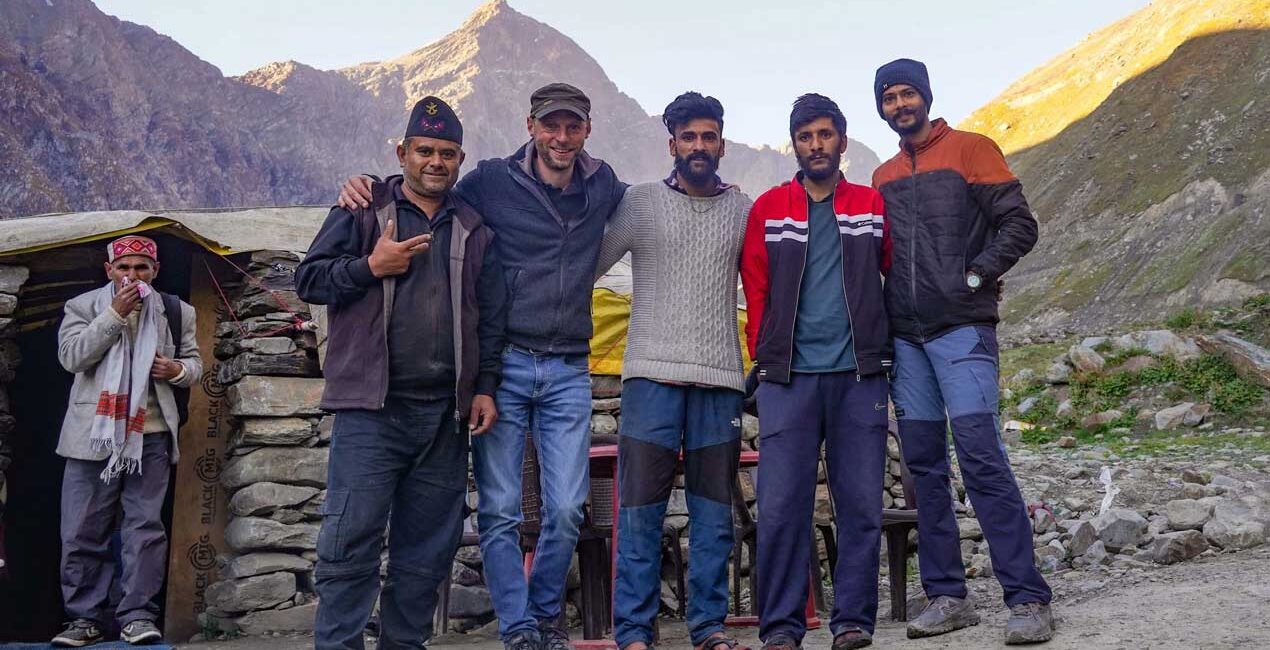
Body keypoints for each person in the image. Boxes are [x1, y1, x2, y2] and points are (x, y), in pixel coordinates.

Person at [338, 83, 627, 650]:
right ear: (531, 125)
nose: (561, 137)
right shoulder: (491, 182)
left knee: (567, 507)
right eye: (551, 126)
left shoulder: (604, 185)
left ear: (587, 130)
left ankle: (545, 617)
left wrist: (714, 192)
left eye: (572, 127)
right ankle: (519, 630)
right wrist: (365, 187)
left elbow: (652, 206)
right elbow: (428, 188)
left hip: (569, 366)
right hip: (506, 365)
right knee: (498, 508)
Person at [296, 96, 507, 650]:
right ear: (402, 152)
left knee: (425, 554)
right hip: (372, 411)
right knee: (349, 541)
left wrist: (484, 387)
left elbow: (489, 318)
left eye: (447, 153)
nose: (435, 162)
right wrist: (371, 265)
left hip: (443, 416)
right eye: (424, 150)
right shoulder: (364, 209)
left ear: (460, 159)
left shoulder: (472, 226)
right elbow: (310, 280)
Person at [870, 58, 1053, 645]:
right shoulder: (881, 176)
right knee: (923, 468)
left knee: (980, 456)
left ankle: (1027, 599)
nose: (900, 105)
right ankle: (948, 596)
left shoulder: (972, 150)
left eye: (907, 94)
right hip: (907, 339)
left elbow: (1019, 225)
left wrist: (976, 276)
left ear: (925, 96)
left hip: (962, 331)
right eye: (889, 97)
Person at [594, 91, 753, 650]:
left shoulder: (742, 209)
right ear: (672, 145)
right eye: (689, 137)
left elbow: (764, 284)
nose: (699, 146)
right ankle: (635, 632)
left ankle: (708, 628)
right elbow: (587, 262)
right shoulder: (639, 204)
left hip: (720, 380)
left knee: (713, 517)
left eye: (709, 136)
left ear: (722, 144)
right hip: (650, 377)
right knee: (640, 510)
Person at [740, 94, 893, 650]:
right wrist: (767, 351)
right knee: (781, 507)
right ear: (795, 145)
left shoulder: (870, 205)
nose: (816, 145)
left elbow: (888, 271)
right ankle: (781, 628)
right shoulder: (769, 207)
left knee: (859, 505)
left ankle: (852, 622)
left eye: (825, 134)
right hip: (789, 380)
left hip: (858, 376)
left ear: (842, 141)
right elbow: (755, 284)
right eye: (806, 137)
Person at [53, 235, 202, 647]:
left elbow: (195, 365)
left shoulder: (176, 311)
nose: (132, 276)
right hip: (92, 438)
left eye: (141, 268)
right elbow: (72, 358)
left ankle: (136, 615)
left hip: (150, 437)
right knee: (82, 531)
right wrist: (113, 317)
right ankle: (84, 619)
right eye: (124, 268)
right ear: (109, 271)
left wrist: (175, 370)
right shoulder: (82, 307)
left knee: (144, 529)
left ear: (155, 271)